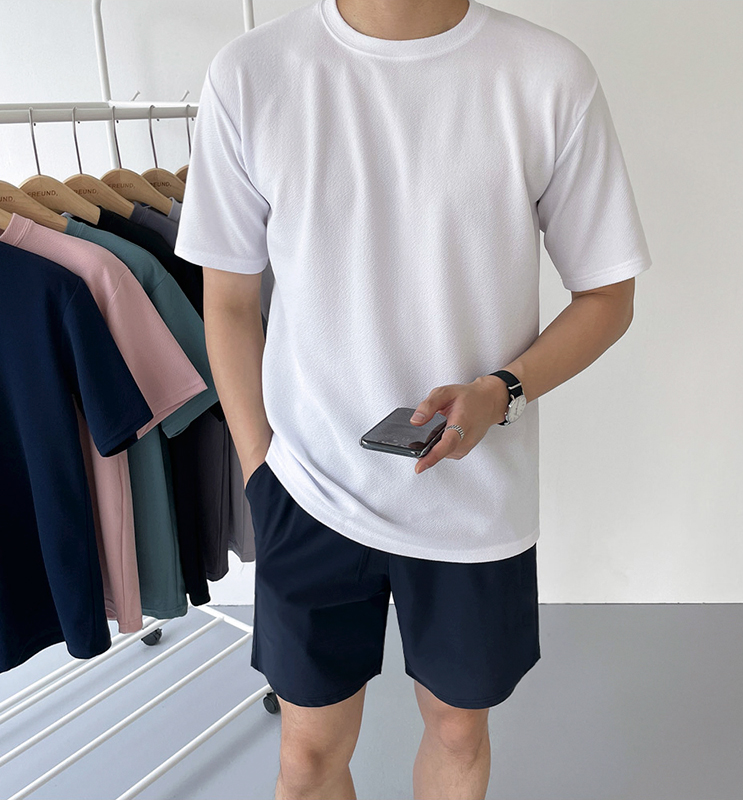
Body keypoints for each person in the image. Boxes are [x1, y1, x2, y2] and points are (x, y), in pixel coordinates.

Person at [173, 0, 652, 797]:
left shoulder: (546, 75)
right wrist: (261, 471)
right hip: (308, 487)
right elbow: (226, 300)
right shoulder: (253, 73)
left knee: (459, 730)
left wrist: (501, 392)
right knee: (307, 755)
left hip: (475, 497)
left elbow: (608, 295)